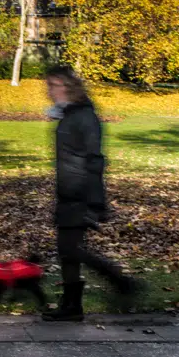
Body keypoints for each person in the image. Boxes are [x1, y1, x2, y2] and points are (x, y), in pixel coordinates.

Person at [42, 64, 139, 322]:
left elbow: (95, 159)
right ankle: (72, 307)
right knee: (67, 250)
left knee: (70, 249)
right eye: (48, 85)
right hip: (67, 190)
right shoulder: (71, 114)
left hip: (79, 192)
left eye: (54, 85)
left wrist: (95, 201)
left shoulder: (84, 117)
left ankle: (120, 280)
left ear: (69, 86)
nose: (49, 91)